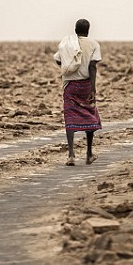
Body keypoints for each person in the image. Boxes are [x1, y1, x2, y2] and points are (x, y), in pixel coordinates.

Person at [53, 18, 102, 165]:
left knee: (70, 116)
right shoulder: (93, 44)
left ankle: (71, 155)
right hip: (86, 86)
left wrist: (69, 65)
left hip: (70, 86)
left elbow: (58, 59)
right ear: (88, 30)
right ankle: (88, 154)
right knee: (90, 116)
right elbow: (93, 66)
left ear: (75, 30)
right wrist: (93, 87)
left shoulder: (68, 44)